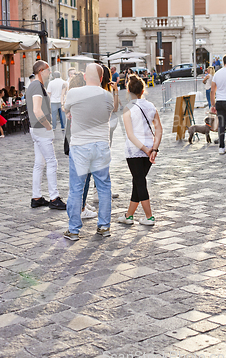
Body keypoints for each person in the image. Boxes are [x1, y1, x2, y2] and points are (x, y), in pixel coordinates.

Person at [64, 63, 114, 240]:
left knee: (76, 188)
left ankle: (74, 229)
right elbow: (106, 115)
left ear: (85, 76)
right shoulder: (108, 96)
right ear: (101, 78)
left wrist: (73, 113)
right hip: (101, 144)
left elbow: (66, 109)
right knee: (104, 187)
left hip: (80, 146)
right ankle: (103, 226)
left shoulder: (73, 93)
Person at [118, 74, 162, 226]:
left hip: (135, 150)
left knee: (139, 181)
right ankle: (128, 215)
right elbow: (159, 130)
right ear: (143, 90)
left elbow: (130, 135)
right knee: (138, 181)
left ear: (129, 90)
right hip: (149, 148)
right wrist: (153, 149)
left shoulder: (128, 108)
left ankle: (149, 217)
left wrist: (145, 149)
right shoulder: (151, 106)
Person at [26, 60, 66, 210]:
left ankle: (36, 197)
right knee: (51, 162)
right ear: (41, 71)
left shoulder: (33, 85)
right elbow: (37, 110)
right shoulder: (37, 85)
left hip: (35, 129)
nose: (50, 73)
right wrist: (49, 127)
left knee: (39, 164)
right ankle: (54, 198)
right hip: (41, 130)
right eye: (48, 70)